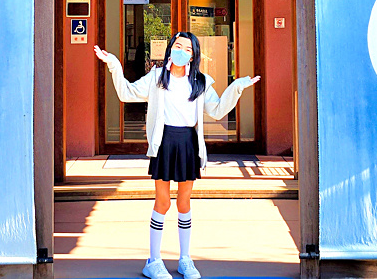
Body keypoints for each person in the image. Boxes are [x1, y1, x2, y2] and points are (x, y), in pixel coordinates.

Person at [94, 32, 259, 279]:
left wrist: (237, 87)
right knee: (163, 202)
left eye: (188, 49)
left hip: (188, 143)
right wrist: (114, 65)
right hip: (164, 142)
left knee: (184, 202)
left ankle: (185, 259)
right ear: (171, 49)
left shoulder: (200, 81)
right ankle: (153, 260)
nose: (182, 51)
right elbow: (126, 93)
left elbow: (216, 110)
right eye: (178, 46)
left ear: (194, 55)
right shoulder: (156, 78)